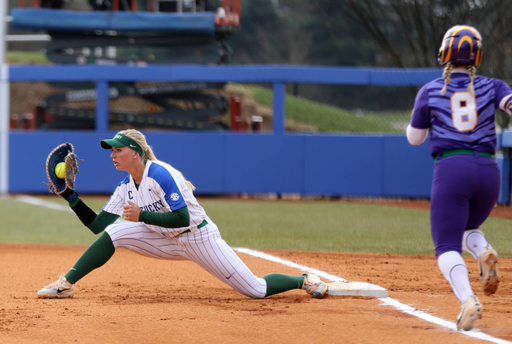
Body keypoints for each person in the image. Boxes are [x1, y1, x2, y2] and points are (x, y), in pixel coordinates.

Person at [37, 129, 328, 300]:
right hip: (163, 238)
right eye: (111, 150)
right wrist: (70, 196)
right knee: (115, 233)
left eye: (117, 150)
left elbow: (183, 219)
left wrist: (141, 216)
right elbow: (97, 226)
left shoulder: (162, 174)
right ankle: (66, 284)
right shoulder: (126, 186)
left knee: (255, 289)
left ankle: (302, 280)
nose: (112, 155)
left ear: (135, 152)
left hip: (198, 236)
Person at [407, 25, 509, 331]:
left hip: (452, 169)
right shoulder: (493, 86)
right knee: (468, 229)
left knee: (445, 246)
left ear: (445, 54)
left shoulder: (431, 90)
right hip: (490, 172)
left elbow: (414, 138)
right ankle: (482, 250)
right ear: (475, 57)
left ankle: (468, 301)